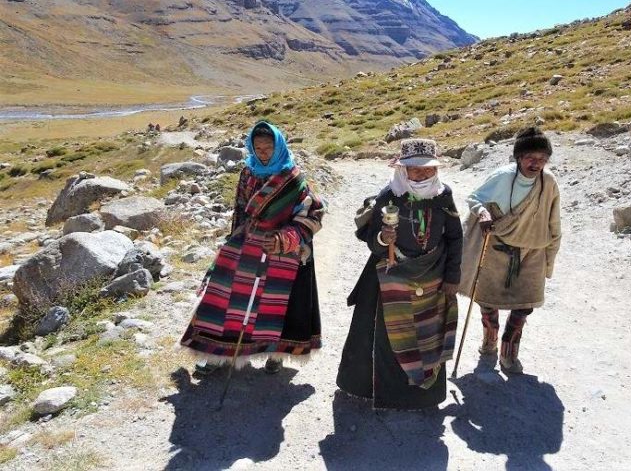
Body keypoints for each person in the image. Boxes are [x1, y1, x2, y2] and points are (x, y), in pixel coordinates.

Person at [180, 121, 325, 375]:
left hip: (281, 252)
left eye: (268, 147)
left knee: (278, 305)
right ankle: (218, 354)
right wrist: (233, 242)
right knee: (226, 297)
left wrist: (286, 238)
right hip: (246, 245)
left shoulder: (294, 179)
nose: (263, 153)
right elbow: (239, 209)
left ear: (279, 146)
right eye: (258, 148)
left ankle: (276, 353)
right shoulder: (248, 173)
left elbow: (314, 212)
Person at [337, 138, 462, 409]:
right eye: (415, 169)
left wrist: (453, 277)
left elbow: (455, 237)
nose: (422, 174)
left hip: (433, 277)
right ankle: (374, 390)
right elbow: (372, 241)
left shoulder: (443, 196)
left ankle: (422, 396)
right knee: (383, 334)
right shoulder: (389, 196)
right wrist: (383, 237)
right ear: (402, 169)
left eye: (428, 169)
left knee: (427, 333)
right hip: (391, 275)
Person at [458, 126, 561, 374]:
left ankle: (509, 351)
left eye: (542, 160)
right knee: (487, 301)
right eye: (531, 158)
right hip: (497, 249)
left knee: (525, 305)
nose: (536, 164)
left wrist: (551, 255)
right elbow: (475, 198)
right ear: (518, 158)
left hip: (533, 251)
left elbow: (554, 221)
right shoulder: (503, 176)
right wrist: (482, 213)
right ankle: (489, 342)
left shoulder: (549, 183)